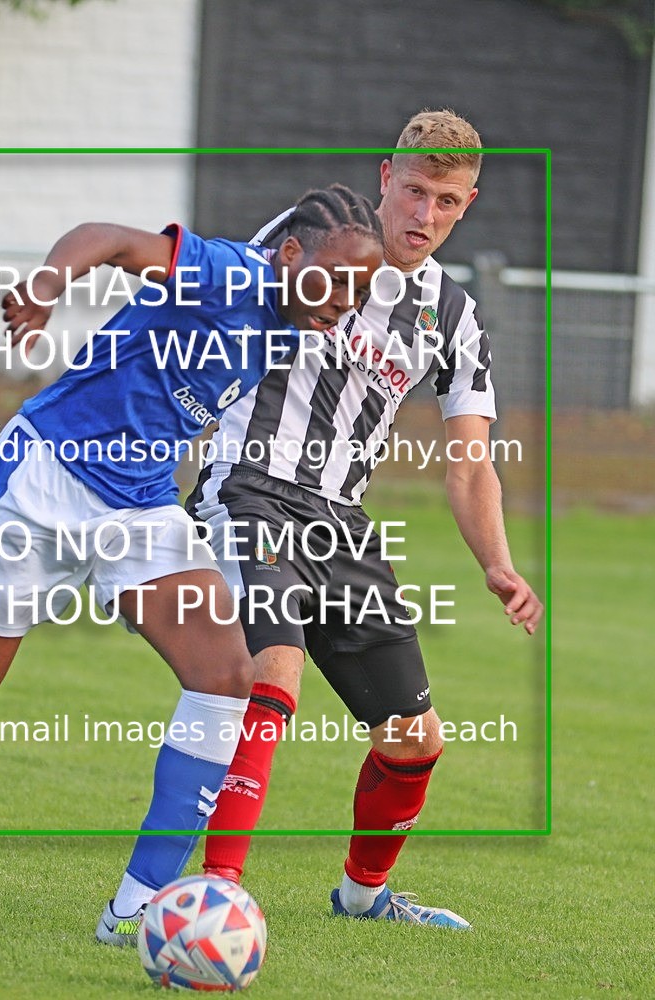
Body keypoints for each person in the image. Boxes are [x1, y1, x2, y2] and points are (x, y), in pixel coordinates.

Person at [0, 185, 386, 926]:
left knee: (225, 676)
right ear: (291, 254)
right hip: (41, 483)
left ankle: (136, 913)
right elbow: (109, 238)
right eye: (337, 278)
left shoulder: (293, 323)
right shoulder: (231, 273)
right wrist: (46, 285)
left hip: (136, 504)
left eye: (361, 288)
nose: (346, 300)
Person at [187, 109, 543, 930]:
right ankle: (218, 897)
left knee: (415, 739)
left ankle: (363, 897)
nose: (425, 216)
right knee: (274, 671)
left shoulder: (453, 317)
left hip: (338, 522)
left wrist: (496, 562)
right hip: (248, 487)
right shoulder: (315, 236)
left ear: (468, 203)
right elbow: (214, 317)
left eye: (446, 201)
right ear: (387, 177)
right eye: (415, 191)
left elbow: (470, 459)